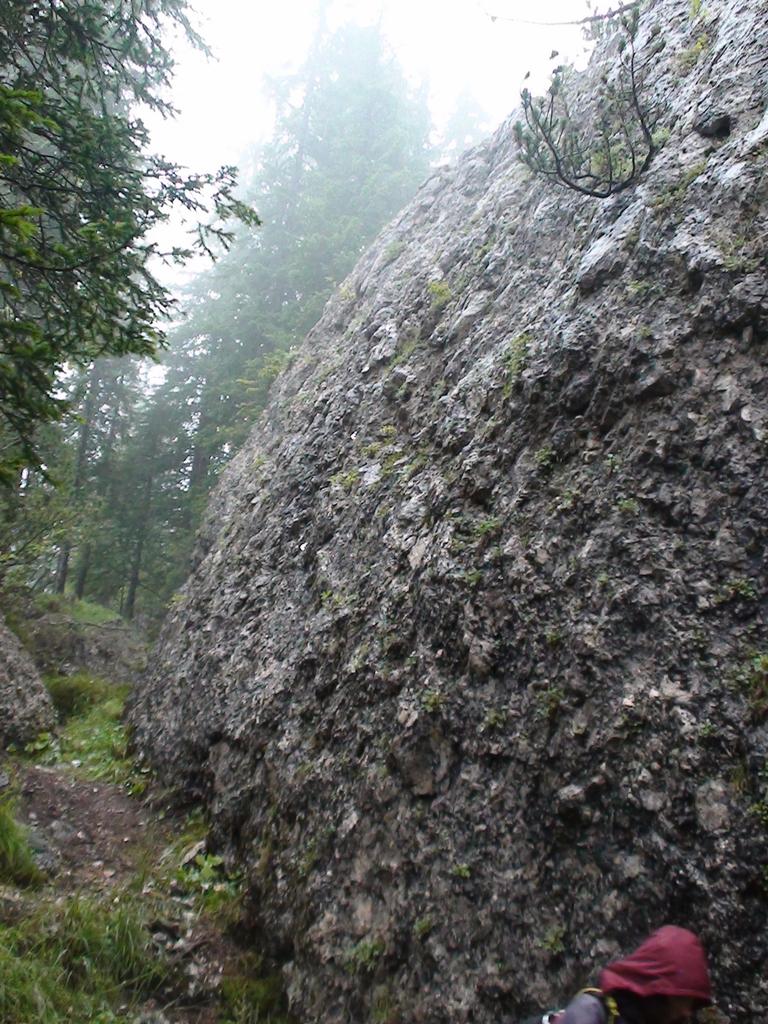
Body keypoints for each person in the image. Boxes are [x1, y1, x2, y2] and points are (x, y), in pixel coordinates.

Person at [560, 926, 713, 1024]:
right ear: (657, 991)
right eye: (681, 999)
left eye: (691, 1003)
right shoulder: (589, 1012)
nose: (686, 1011)